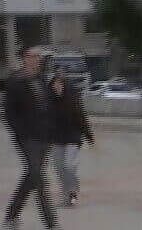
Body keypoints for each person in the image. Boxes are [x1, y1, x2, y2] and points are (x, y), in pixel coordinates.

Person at [2, 46, 60, 229]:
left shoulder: (43, 80)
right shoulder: (15, 81)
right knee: (39, 178)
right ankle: (51, 223)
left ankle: (11, 215)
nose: (37, 60)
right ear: (25, 58)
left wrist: (57, 93)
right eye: (33, 57)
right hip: (27, 137)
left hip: (45, 135)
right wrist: (19, 132)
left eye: (39, 57)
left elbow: (49, 105)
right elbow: (9, 112)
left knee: (31, 177)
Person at [47, 74, 94, 207]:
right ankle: (65, 193)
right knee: (59, 167)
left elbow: (81, 117)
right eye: (55, 84)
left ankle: (73, 190)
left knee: (69, 165)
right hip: (56, 139)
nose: (57, 87)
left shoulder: (72, 99)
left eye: (60, 84)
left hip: (72, 138)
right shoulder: (48, 101)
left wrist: (89, 136)